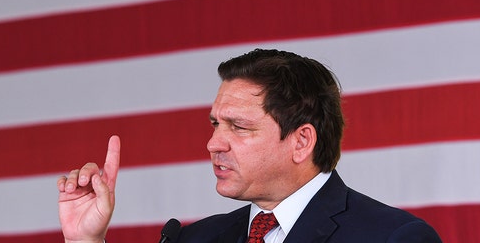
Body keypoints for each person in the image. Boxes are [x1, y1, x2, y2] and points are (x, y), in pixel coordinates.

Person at [57, 48, 442, 243]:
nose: (213, 144)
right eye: (214, 124)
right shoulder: (195, 240)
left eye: (238, 127)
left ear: (301, 140)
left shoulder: (392, 238)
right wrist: (86, 241)